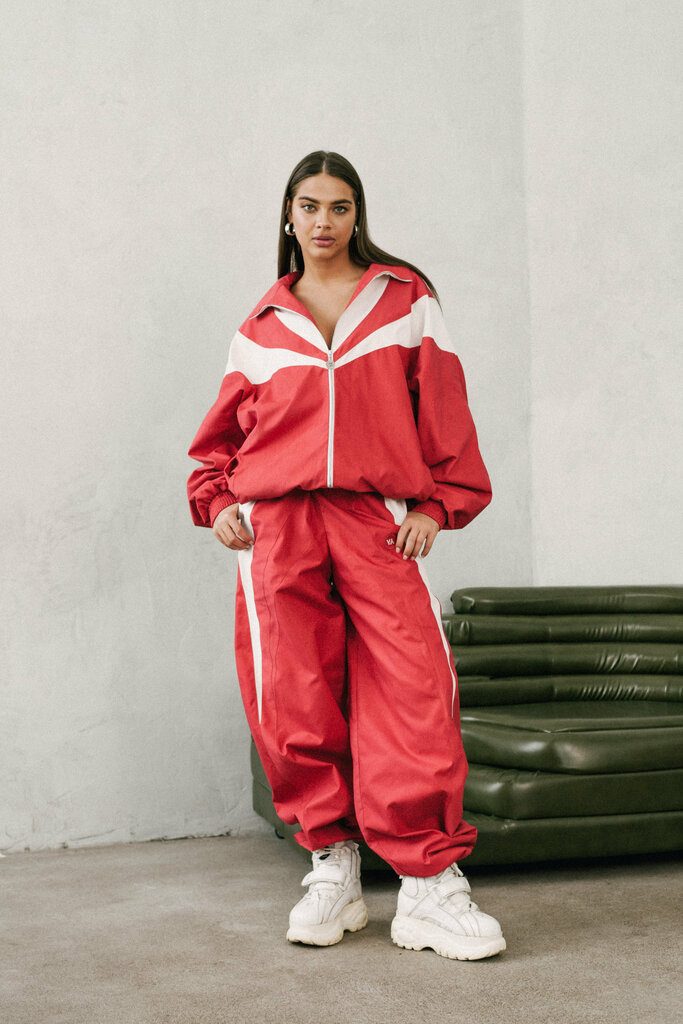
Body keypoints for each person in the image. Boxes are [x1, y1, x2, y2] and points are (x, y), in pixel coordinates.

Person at [186, 151, 506, 961]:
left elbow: (444, 409)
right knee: (292, 694)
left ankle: (428, 882)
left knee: (413, 685)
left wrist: (436, 504)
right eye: (308, 206)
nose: (322, 221)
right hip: (278, 524)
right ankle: (332, 861)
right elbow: (222, 436)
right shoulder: (262, 323)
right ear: (287, 215)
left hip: (375, 516)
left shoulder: (405, 300)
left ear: (357, 214)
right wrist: (217, 501)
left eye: (338, 206)